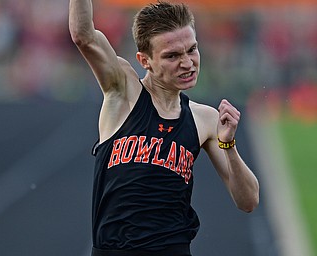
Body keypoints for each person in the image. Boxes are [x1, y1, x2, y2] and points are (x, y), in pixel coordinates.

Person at [69, 1, 259, 255]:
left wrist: (228, 145)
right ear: (144, 60)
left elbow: (248, 201)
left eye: (192, 50)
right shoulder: (123, 90)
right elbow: (84, 36)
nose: (187, 63)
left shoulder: (204, 119)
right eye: (172, 56)